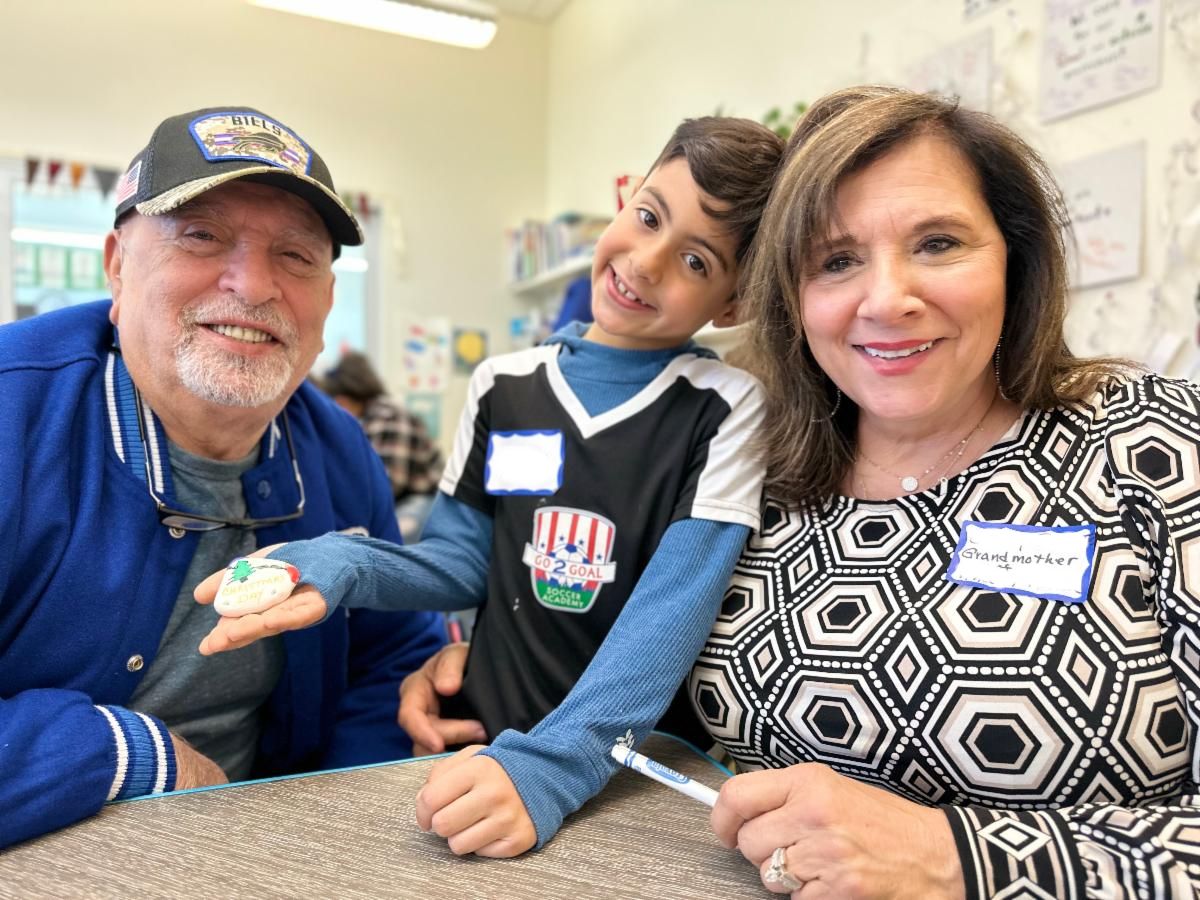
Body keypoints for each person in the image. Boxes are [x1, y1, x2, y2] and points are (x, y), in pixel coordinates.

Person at [195, 116, 785, 856]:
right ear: (627, 197)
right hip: (484, 745)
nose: (646, 262)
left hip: (619, 772)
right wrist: (343, 563)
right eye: (648, 217)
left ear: (734, 304)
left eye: (697, 260)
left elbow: (672, 610)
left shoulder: (726, 406)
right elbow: (461, 561)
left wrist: (557, 764)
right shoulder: (504, 386)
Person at [692, 85, 1200, 898]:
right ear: (793, 298)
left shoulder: (1153, 442)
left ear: (1015, 257)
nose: (888, 299)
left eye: (937, 243)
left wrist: (955, 856)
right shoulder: (753, 472)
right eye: (836, 261)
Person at [0, 105, 446, 849]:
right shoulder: (15, 414)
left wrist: (329, 834)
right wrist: (126, 756)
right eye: (201, 236)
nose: (254, 284)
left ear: (328, 300)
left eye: (296, 255)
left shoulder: (338, 449)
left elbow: (392, 658)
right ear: (117, 266)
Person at [320, 350, 443, 506]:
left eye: (337, 401)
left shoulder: (389, 416)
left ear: (348, 396)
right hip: (396, 496)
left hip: (420, 496)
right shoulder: (365, 418)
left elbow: (392, 482)